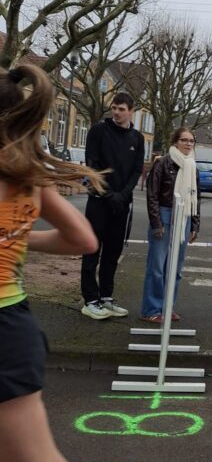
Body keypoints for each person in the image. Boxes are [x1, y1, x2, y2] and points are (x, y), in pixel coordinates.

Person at [0, 65, 212, 462]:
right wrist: (14, 240)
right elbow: (82, 239)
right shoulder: (26, 177)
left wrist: (12, 240)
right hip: (12, 324)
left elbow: (85, 240)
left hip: (5, 335)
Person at [80, 92, 145, 319]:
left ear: (131, 110)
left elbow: (137, 170)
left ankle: (106, 297)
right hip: (99, 201)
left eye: (121, 109)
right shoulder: (99, 131)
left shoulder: (137, 139)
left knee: (112, 252)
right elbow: (92, 165)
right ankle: (90, 300)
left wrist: (123, 195)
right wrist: (108, 194)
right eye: (114, 108)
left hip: (121, 204)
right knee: (92, 249)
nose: (116, 112)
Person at [140, 128, 200, 323]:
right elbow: (152, 195)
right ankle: (151, 310)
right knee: (157, 266)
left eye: (191, 141)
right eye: (184, 140)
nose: (188, 144)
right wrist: (157, 223)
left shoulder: (192, 166)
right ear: (175, 142)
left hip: (185, 216)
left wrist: (195, 225)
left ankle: (168, 307)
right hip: (165, 214)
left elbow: (196, 199)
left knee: (176, 268)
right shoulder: (163, 163)